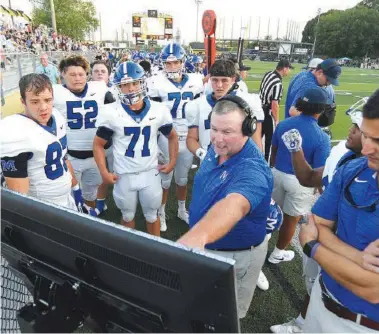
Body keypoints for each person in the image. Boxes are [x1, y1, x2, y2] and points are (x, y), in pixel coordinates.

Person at [270, 99, 365, 333]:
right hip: (322, 236)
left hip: (350, 253)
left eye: (359, 127)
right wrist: (296, 150)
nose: (351, 128)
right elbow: (309, 178)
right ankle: (302, 323)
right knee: (313, 285)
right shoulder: (341, 151)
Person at [178, 95, 273, 319]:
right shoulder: (217, 147)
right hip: (208, 249)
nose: (218, 139)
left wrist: (197, 237)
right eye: (214, 129)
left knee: (227, 317)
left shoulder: (253, 169)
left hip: (235, 258)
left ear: (248, 129)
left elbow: (234, 205)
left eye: (227, 132)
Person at [299, 89, 379, 332]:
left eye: (378, 141)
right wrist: (357, 258)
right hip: (321, 301)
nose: (366, 149)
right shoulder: (353, 169)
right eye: (366, 136)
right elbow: (318, 224)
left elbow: (372, 288)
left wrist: (312, 246)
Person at [94, 62, 178, 237]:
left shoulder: (158, 109)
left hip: (150, 172)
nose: (130, 88)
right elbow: (98, 144)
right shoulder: (111, 112)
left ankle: (155, 252)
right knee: (127, 215)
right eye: (124, 85)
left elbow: (172, 136)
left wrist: (172, 162)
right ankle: (128, 254)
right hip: (124, 174)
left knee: (151, 215)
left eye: (134, 83)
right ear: (118, 87)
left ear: (142, 82)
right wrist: (104, 171)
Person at [0, 73, 83, 211]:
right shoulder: (16, 131)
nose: (43, 107)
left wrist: (75, 188)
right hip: (44, 207)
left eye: (47, 100)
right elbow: (20, 198)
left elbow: (63, 158)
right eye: (35, 101)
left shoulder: (57, 116)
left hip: (66, 197)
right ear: (23, 101)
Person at [268, 87, 331, 265]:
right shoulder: (322, 137)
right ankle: (277, 253)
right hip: (299, 182)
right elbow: (319, 171)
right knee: (290, 220)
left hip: (276, 174)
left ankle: (261, 244)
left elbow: (274, 150)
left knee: (269, 213)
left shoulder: (284, 124)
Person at [147, 42, 203, 230]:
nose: (172, 66)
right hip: (166, 135)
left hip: (187, 136)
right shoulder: (156, 82)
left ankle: (181, 209)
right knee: (164, 178)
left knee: (182, 178)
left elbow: (199, 111)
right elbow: (152, 115)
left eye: (175, 62)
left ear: (182, 62)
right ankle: (161, 212)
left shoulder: (195, 81)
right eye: (168, 63)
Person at [53, 55, 114, 211]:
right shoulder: (55, 93)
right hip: (70, 157)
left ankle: (91, 216)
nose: (77, 78)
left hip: (95, 157)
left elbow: (115, 110)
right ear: (63, 74)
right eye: (72, 74)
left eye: (81, 74)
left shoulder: (99, 88)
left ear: (87, 75)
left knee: (90, 194)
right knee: (69, 197)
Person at [186, 59, 265, 163]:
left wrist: (258, 162)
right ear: (210, 79)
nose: (219, 85)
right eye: (215, 80)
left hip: (239, 162)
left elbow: (256, 140)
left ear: (233, 79)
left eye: (224, 80)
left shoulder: (248, 103)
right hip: (208, 162)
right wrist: (203, 154)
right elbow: (191, 138)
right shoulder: (197, 105)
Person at [259, 59, 293, 162]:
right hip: (268, 114)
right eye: (289, 69)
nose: (289, 71)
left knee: (257, 137)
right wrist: (277, 120)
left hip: (259, 110)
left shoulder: (268, 74)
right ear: (285, 68)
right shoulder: (278, 83)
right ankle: (266, 163)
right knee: (270, 142)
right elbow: (274, 104)